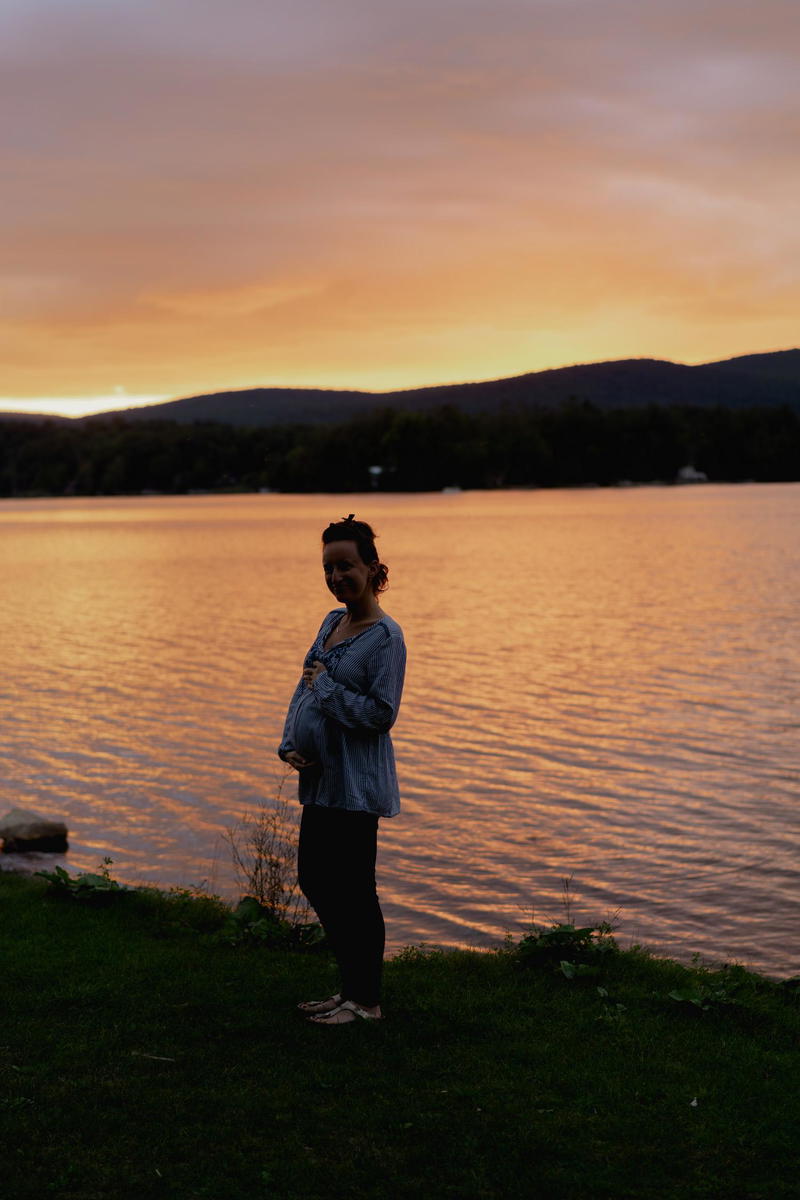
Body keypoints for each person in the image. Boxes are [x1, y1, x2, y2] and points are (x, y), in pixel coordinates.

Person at [278, 515, 406, 1025]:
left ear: (374, 569)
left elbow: (381, 715)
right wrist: (289, 743)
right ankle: (351, 987)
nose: (336, 577)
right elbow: (303, 684)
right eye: (328, 567)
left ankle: (366, 1001)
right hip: (322, 780)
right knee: (314, 878)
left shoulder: (386, 639)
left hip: (357, 784)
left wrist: (327, 688)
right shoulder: (331, 623)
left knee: (354, 889)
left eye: (346, 566)